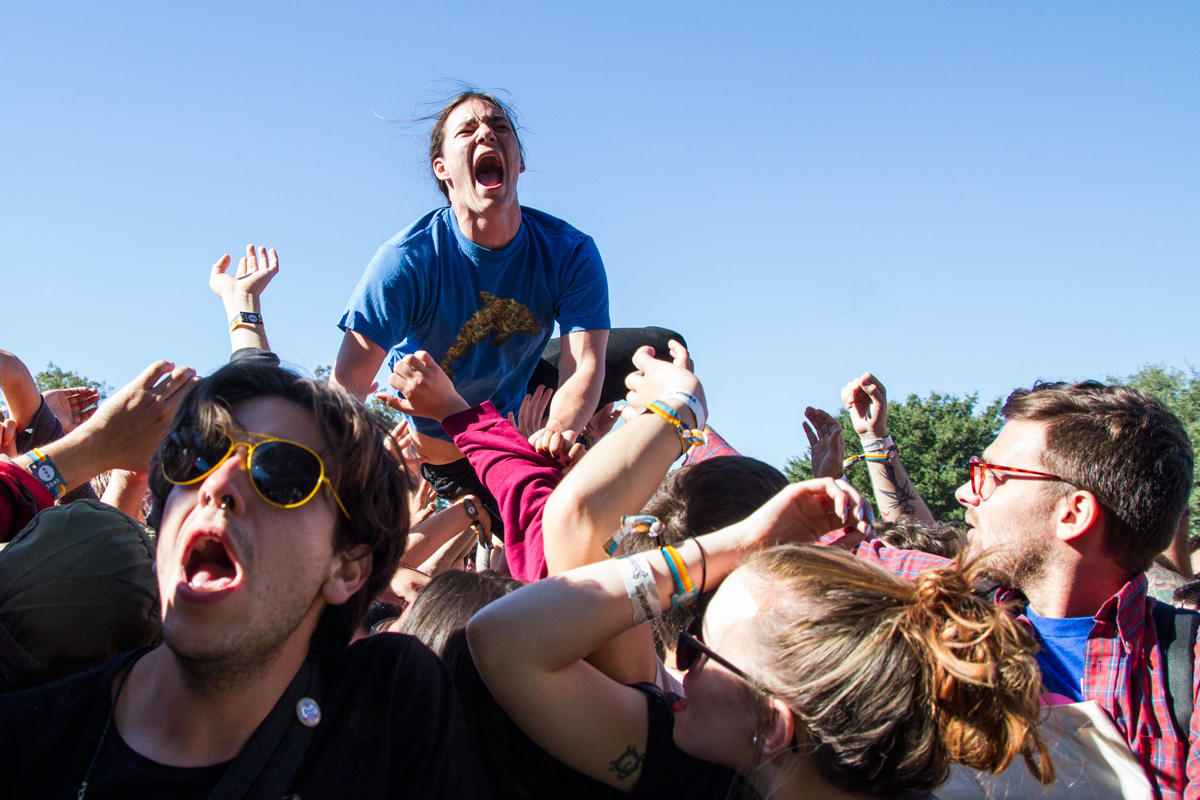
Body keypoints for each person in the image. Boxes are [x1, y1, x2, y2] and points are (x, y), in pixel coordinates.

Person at [0, 362, 485, 797]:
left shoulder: (392, 707)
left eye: (281, 472)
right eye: (195, 458)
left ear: (347, 567)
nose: (216, 484)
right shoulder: (26, 744)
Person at [817, 380, 1196, 799]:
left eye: (990, 475)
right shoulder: (957, 610)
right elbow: (826, 556)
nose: (964, 492)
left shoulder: (1185, 666)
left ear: (1072, 514)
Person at [333, 90, 610, 489]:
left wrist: (558, 432)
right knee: (527, 536)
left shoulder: (570, 251)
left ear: (519, 160)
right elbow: (348, 383)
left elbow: (584, 363)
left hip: (513, 409)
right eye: (467, 130)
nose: (486, 134)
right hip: (448, 448)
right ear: (442, 168)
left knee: (659, 344)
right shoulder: (407, 260)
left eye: (500, 127)